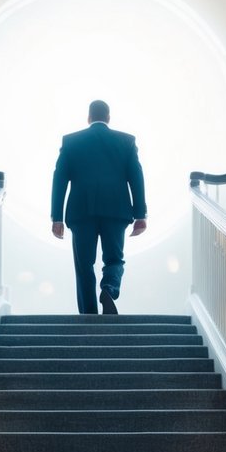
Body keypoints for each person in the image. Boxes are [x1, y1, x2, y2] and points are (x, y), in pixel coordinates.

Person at [50, 100, 148, 314]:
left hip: (81, 211)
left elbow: (59, 179)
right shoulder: (126, 142)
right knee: (114, 259)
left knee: (84, 265)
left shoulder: (71, 142)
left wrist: (56, 217)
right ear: (109, 118)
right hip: (116, 210)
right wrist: (140, 214)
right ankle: (109, 289)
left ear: (88, 118)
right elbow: (136, 177)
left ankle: (89, 315)